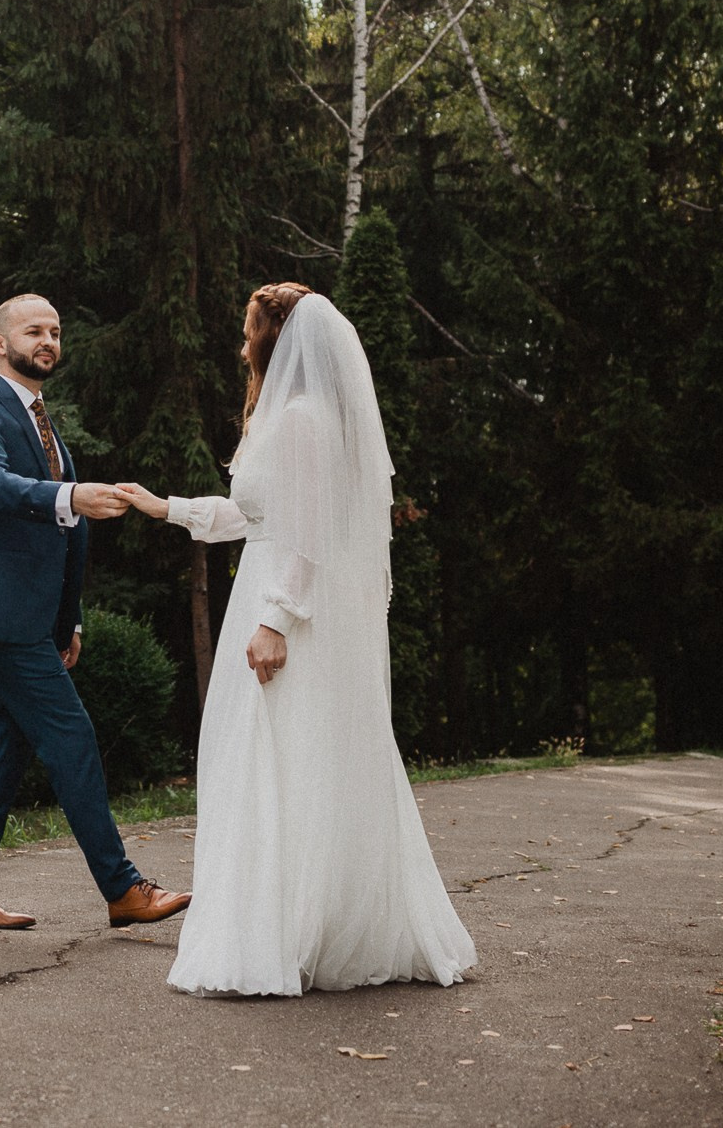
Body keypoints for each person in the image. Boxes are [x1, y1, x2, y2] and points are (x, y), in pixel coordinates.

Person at [116, 284, 475, 993]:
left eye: (247, 331)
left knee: (287, 757)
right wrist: (165, 507)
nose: (240, 345)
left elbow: (310, 531)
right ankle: (282, 923)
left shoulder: (306, 420)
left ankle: (291, 933)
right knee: (272, 759)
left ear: (274, 340)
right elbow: (256, 516)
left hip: (288, 606)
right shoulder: (284, 417)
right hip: (268, 586)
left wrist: (276, 620)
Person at [0, 293, 192, 931]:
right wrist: (70, 493)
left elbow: (65, 535)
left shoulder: (45, 424)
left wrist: (68, 618)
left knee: (6, 749)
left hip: (33, 619)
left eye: (55, 330)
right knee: (71, 739)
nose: (48, 340)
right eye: (33, 331)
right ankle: (123, 889)